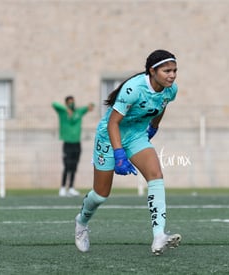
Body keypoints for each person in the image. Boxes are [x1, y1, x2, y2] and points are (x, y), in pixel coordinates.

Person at [74, 49, 181, 255]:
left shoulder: (171, 90)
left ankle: (159, 236)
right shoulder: (133, 89)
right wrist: (119, 154)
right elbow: (113, 123)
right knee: (100, 195)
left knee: (156, 176)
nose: (172, 75)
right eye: (167, 70)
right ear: (152, 71)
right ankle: (81, 222)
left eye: (175, 70)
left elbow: (162, 105)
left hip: (137, 135)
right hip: (109, 135)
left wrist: (154, 127)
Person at [52, 96, 94, 197]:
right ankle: (62, 188)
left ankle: (71, 187)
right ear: (66, 103)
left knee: (74, 166)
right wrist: (66, 109)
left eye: (73, 102)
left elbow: (91, 106)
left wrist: (90, 105)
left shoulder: (79, 112)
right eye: (70, 102)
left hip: (77, 143)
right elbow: (54, 103)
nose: (72, 104)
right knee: (67, 166)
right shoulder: (62, 112)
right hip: (67, 143)